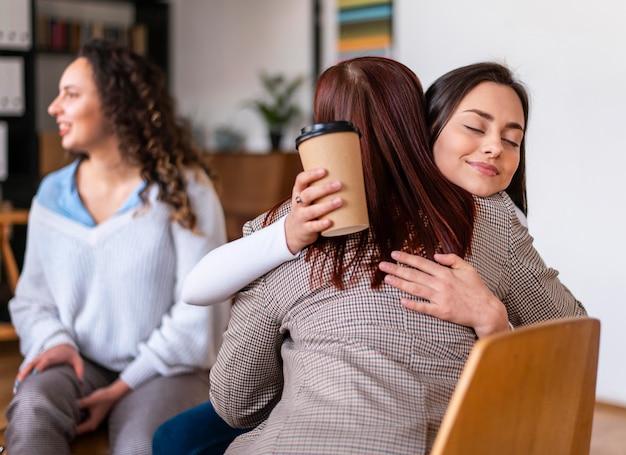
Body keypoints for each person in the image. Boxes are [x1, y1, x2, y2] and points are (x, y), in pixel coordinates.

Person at [152, 60, 584, 454]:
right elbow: (573, 339)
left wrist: (491, 318)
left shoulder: (296, 221)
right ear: (423, 126)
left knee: (179, 437)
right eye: (475, 127)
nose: (494, 148)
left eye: (513, 139)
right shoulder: (490, 220)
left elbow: (236, 402)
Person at [5, 39, 231, 455]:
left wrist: (120, 389)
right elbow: (31, 299)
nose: (55, 108)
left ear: (116, 103)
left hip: (168, 370)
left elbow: (199, 313)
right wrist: (54, 341)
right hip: (78, 362)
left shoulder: (186, 190)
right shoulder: (50, 194)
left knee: (142, 444)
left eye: (70, 95)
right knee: (32, 407)